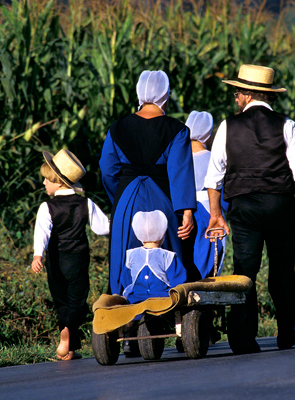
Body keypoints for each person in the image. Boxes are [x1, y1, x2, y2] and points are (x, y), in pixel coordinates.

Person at [204, 64, 295, 353]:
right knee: (282, 269)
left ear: (246, 94)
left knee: (245, 270)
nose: (234, 98)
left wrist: (216, 215)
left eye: (236, 93)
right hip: (280, 205)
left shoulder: (228, 126)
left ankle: (243, 336)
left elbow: (214, 177)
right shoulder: (287, 125)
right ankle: (287, 328)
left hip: (243, 208)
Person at [99, 70, 197, 356]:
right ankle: (166, 318)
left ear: (140, 94)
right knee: (167, 258)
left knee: (124, 261)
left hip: (126, 199)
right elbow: (179, 172)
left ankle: (125, 326)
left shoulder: (118, 127)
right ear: (165, 95)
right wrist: (186, 211)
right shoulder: (177, 129)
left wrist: (118, 199)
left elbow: (107, 169)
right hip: (163, 198)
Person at [31, 149, 110, 361]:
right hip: (78, 258)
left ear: (58, 182)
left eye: (47, 179)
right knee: (78, 300)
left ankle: (66, 340)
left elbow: (42, 233)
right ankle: (69, 339)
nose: (44, 183)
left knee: (61, 300)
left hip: (56, 259)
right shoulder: (86, 203)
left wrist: (38, 255)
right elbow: (103, 228)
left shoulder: (46, 207)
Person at [186, 111, 228, 278]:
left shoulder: (178, 159)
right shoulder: (213, 159)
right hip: (210, 211)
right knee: (211, 260)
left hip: (182, 213)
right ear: (207, 135)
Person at [122, 210, 187, 303]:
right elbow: (178, 282)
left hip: (136, 299)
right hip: (163, 300)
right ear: (162, 234)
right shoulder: (168, 256)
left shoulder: (131, 255)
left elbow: (126, 280)